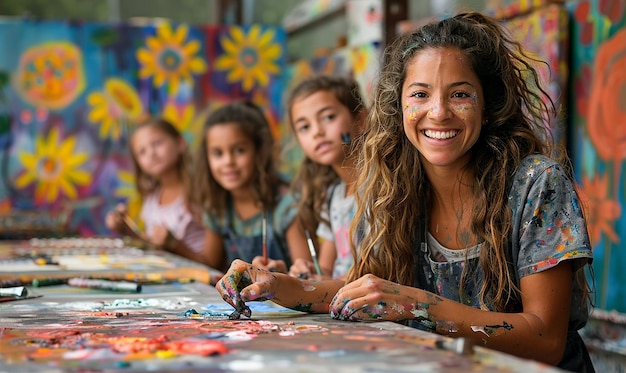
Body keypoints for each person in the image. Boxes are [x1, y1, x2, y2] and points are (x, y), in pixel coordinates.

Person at [215, 12, 594, 372]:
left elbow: (546, 339)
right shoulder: (392, 185)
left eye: (460, 94)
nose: (439, 111)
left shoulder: (535, 183)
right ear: (399, 105)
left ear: (488, 106)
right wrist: (277, 285)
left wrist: (417, 305)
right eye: (420, 94)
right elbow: (363, 292)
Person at [194, 101, 311, 273]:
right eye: (218, 153)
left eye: (239, 150)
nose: (228, 162)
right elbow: (209, 265)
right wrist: (172, 245)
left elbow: (307, 277)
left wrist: (282, 275)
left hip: (282, 299)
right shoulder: (217, 205)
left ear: (260, 151)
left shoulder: (287, 206)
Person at [286, 75, 367, 280]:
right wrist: (309, 273)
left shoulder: (381, 187)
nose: (317, 132)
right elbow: (326, 270)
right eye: (305, 127)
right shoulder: (332, 196)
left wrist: (327, 283)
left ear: (361, 120)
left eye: (329, 117)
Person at [105, 117, 208, 264]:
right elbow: (154, 246)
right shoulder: (152, 199)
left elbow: (212, 263)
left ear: (180, 143)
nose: (151, 154)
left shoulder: (200, 192)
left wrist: (174, 244)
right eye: (142, 152)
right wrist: (125, 229)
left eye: (157, 143)